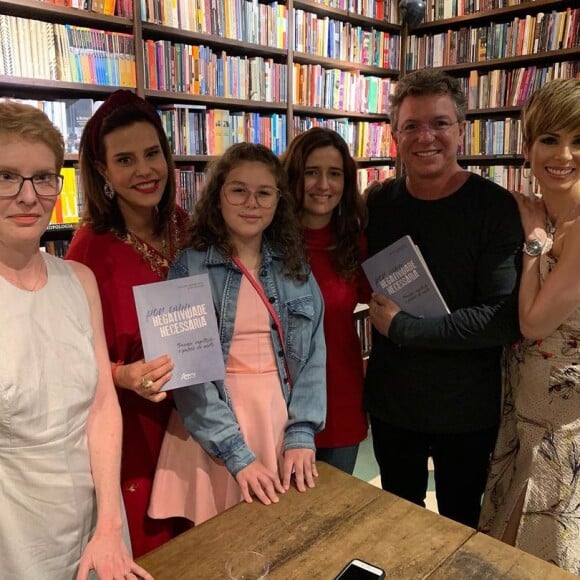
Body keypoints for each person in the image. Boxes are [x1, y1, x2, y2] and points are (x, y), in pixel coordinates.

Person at [364, 69, 523, 528]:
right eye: (411, 126)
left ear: (461, 129)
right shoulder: (378, 205)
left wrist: (403, 328)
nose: (425, 137)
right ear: (395, 136)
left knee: (459, 526)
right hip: (393, 403)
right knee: (396, 524)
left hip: (466, 410)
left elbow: (499, 317)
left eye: (439, 123)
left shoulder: (493, 208)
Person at [0, 102, 151, 578]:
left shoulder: (79, 279)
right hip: (15, 535)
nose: (28, 196)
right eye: (6, 176)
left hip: (97, 521)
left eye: (44, 177)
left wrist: (108, 522)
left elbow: (102, 406)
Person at [148, 142, 327, 525]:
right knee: (219, 541)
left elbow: (314, 355)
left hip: (278, 419)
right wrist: (233, 451)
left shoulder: (295, 266)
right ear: (218, 196)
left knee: (280, 531)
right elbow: (188, 378)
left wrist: (302, 431)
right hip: (212, 423)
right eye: (238, 190)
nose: (252, 203)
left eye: (264, 193)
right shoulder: (188, 267)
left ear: (279, 201)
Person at [65, 90, 190, 557]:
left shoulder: (185, 226)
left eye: (152, 153)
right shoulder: (88, 252)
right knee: (156, 552)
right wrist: (123, 375)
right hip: (136, 427)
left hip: (197, 418)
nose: (144, 170)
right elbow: (75, 361)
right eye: (125, 159)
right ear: (103, 172)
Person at [479, 78, 580, 573]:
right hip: (524, 406)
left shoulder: (569, 228)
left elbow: (534, 323)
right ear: (527, 148)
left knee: (544, 552)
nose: (564, 154)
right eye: (550, 139)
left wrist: (534, 242)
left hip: (560, 426)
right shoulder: (548, 214)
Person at [281, 127, 370, 474]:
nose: (323, 185)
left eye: (334, 174)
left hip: (341, 395)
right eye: (311, 172)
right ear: (294, 176)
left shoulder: (356, 241)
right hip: (282, 400)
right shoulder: (267, 241)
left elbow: (379, 300)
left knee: (335, 516)